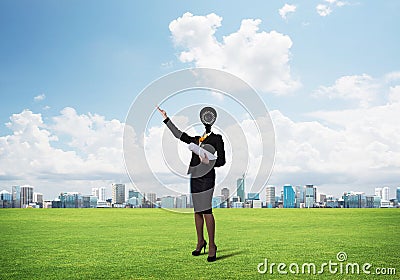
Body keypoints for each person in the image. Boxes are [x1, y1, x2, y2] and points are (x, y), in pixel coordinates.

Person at [157, 105, 226, 262]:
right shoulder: (195, 139)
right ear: (202, 120)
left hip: (207, 177)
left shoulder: (217, 138)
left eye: (209, 117)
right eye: (204, 117)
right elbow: (178, 135)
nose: (207, 120)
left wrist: (208, 161)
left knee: (207, 210)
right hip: (195, 177)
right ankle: (200, 241)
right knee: (197, 211)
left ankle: (212, 246)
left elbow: (222, 160)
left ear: (213, 120)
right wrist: (166, 118)